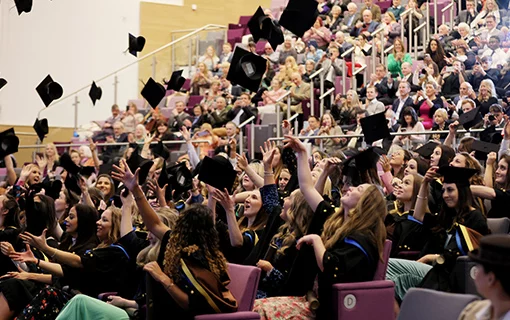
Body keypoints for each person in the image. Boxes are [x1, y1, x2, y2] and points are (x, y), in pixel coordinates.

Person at [112, 159, 237, 318]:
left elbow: (194, 305)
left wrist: (164, 279)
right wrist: (136, 190)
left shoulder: (202, 259)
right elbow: (154, 223)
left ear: (181, 227)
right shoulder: (178, 242)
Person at [386, 166, 489, 302]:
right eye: (444, 190)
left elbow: (467, 256)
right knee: (389, 280)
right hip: (433, 270)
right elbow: (419, 215)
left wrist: (431, 257)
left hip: (446, 275)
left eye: (450, 190)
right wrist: (424, 184)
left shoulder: (475, 218)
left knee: (389, 268)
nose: (445, 195)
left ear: (462, 191)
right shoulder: (447, 216)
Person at [457, 234, 510, 320]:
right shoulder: (472, 310)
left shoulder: (472, 312)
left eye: (477, 268)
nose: (475, 274)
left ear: (490, 279)